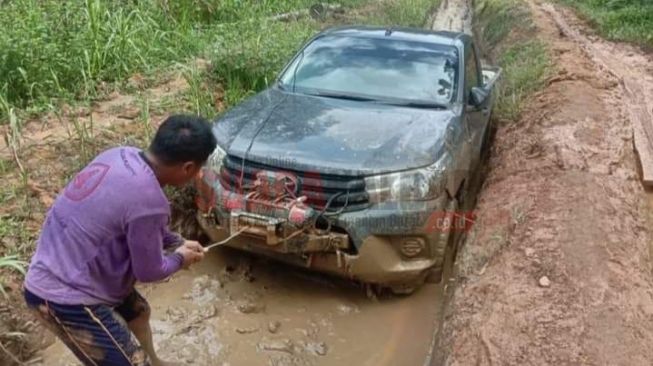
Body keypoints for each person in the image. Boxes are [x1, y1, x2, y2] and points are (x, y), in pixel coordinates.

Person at [23, 114, 217, 366]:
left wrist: (175, 241)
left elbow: (135, 221)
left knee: (138, 313)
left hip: (69, 265)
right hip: (61, 296)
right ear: (188, 167)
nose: (196, 175)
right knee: (133, 363)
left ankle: (156, 363)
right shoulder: (149, 200)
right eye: (198, 169)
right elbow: (149, 271)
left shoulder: (120, 154)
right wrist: (181, 258)